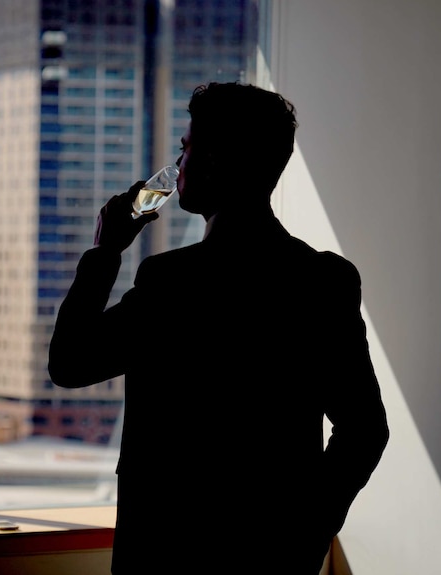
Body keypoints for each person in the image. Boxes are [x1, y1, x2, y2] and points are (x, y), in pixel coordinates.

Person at [48, 82, 389, 574]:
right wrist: (307, 532)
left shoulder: (171, 282)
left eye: (185, 149)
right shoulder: (326, 280)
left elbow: (69, 364)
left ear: (212, 162)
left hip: (167, 551)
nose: (177, 164)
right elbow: (365, 429)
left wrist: (104, 253)